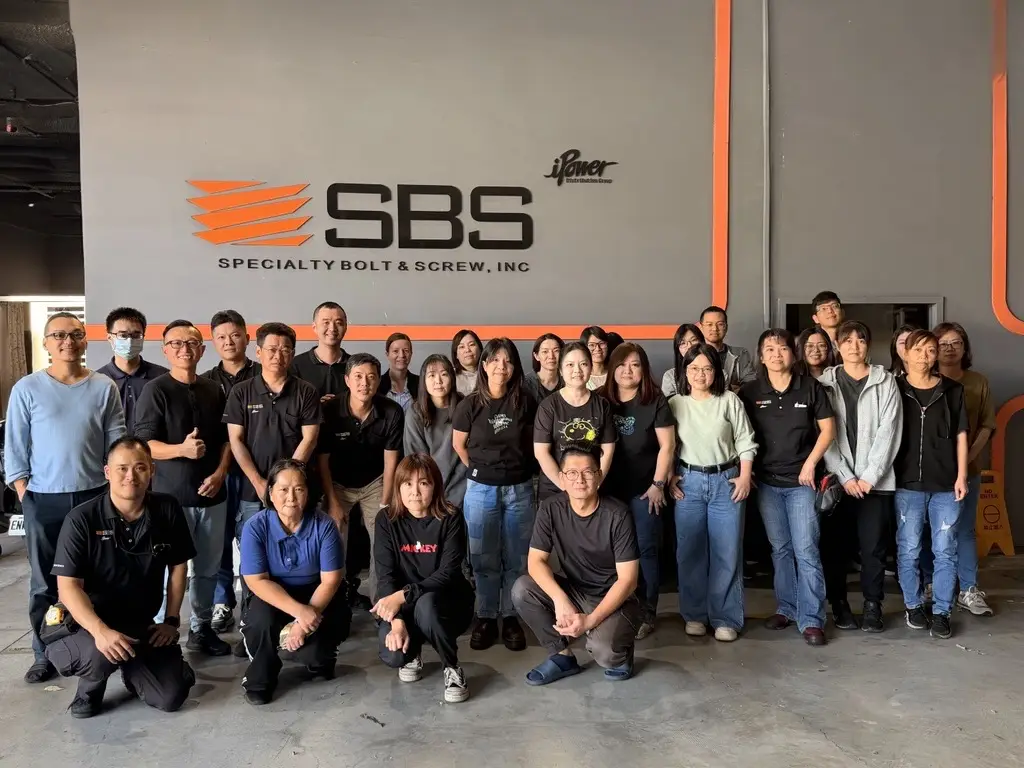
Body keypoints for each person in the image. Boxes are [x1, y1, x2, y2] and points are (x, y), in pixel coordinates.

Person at [4, 312, 126, 684]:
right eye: (58, 335)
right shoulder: (27, 388)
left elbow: (116, 444)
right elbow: (14, 449)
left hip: (94, 498)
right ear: (46, 342)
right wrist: (27, 496)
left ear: (86, 341)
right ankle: (44, 653)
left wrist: (114, 494)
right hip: (44, 499)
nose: (67, 342)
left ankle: (97, 647)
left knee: (97, 578)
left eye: (75, 334)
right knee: (44, 582)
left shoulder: (104, 386)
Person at [45, 438, 196, 718]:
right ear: (107, 472)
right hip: (87, 623)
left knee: (171, 697)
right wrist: (100, 632)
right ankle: (90, 688)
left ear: (152, 470)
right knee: (99, 654)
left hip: (139, 623)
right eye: (122, 468)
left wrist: (172, 621)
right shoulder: (82, 519)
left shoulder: (167, 509)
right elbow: (67, 587)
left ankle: (136, 671)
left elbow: (178, 567)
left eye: (140, 468)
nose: (131, 476)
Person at [134, 319, 232, 656]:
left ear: (202, 350)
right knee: (167, 570)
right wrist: (180, 450)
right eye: (176, 344)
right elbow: (143, 445)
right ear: (165, 350)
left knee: (207, 569)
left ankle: (201, 629)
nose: (184, 349)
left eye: (191, 343)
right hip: (169, 500)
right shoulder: (156, 390)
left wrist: (220, 473)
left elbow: (227, 441)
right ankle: (162, 630)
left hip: (212, 496)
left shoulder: (213, 390)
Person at [223, 322, 321, 653]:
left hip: (297, 493)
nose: (279, 355)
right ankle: (255, 628)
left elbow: (310, 437)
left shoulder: (306, 391)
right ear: (259, 351)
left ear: (293, 354)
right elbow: (235, 440)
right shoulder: (242, 391)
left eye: (286, 349)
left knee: (298, 559)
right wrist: (260, 482)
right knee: (254, 563)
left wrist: (285, 481)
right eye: (272, 348)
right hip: (254, 494)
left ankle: (298, 622)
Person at [512, 443, 641, 685]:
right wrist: (560, 600)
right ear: (561, 477)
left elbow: (628, 580)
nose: (579, 480)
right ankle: (561, 657)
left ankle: (621, 652)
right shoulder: (551, 508)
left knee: (604, 651)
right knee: (523, 589)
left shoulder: (618, 514)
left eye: (588, 472)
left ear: (599, 475)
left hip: (615, 597)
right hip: (575, 590)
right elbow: (535, 561)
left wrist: (590, 621)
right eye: (571, 473)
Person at [739, 329, 835, 646]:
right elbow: (740, 434)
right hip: (767, 483)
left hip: (802, 483)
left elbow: (828, 430)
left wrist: (810, 463)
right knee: (780, 550)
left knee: (806, 550)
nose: (777, 353)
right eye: (770, 348)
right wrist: (746, 471)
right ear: (761, 356)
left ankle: (811, 619)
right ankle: (787, 608)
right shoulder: (750, 392)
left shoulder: (810, 388)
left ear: (793, 354)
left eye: (783, 348)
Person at [238, 459, 351, 705]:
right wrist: (300, 612)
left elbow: (331, 580)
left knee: (317, 659)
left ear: (308, 492)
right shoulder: (255, 527)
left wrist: (302, 624)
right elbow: (257, 581)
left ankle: (318, 655)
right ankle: (260, 675)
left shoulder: (325, 526)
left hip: (316, 595)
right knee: (261, 622)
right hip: (272, 595)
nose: (291, 497)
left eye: (299, 489)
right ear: (270, 492)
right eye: (283, 489)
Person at [452, 337, 536, 651]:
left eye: (508, 361)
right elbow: (459, 445)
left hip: (520, 488)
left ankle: (512, 616)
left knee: (517, 557)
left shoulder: (526, 401)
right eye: (495, 360)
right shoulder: (469, 404)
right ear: (484, 365)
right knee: (483, 557)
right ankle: (486, 616)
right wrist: (481, 470)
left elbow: (534, 444)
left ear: (515, 367)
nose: (502, 367)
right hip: (480, 490)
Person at [668, 343, 756, 642]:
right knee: (689, 551)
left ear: (716, 372)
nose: (700, 374)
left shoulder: (729, 400)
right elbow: (667, 445)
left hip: (726, 481)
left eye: (707, 368)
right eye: (694, 368)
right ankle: (694, 614)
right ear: (685, 371)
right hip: (688, 482)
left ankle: (725, 617)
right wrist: (668, 477)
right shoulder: (675, 403)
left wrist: (745, 476)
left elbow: (745, 440)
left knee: (726, 551)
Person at [819, 321, 902, 632]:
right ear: (838, 345)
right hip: (838, 483)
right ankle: (839, 604)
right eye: (847, 340)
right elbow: (824, 434)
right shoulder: (825, 382)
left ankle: (872, 605)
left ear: (868, 345)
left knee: (874, 548)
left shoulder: (886, 381)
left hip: (875, 484)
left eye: (861, 339)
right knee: (835, 548)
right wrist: (845, 475)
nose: (854, 345)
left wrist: (868, 477)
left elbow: (889, 433)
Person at [372, 454, 474, 703]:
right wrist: (396, 619)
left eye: (423, 483)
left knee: (427, 604)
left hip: (446, 603)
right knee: (394, 656)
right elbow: (385, 574)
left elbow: (447, 574)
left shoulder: (450, 517)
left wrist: (403, 595)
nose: (414, 492)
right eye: (407, 484)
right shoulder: (386, 520)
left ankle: (451, 667)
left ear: (435, 486)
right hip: (402, 605)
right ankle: (413, 650)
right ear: (398, 487)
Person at [893, 329, 968, 640]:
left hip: (946, 484)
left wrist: (962, 475)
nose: (925, 355)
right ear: (905, 354)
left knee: (945, 551)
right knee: (908, 549)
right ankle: (913, 605)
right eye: (919, 349)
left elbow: (962, 434)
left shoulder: (952, 390)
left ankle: (941, 612)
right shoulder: (894, 388)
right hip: (907, 483)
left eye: (931, 350)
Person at [602, 343, 675, 639]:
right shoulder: (601, 400)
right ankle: (614, 609)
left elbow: (667, 446)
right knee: (610, 553)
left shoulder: (655, 401)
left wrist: (658, 484)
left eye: (634, 364)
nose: (627, 370)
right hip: (607, 492)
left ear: (643, 369)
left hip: (644, 491)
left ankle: (646, 611)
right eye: (621, 365)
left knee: (645, 551)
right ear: (612, 369)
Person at [319, 353, 404, 607]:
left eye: (370, 377)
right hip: (337, 483)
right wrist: (332, 502)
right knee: (332, 541)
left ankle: (382, 604)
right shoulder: (330, 410)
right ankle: (334, 602)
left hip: (374, 482)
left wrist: (385, 501)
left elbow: (391, 462)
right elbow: (322, 461)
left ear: (379, 381)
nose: (364, 383)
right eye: (357, 376)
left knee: (382, 540)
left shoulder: (391, 411)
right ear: (347, 380)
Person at [202, 310, 263, 633]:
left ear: (247, 337)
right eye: (221, 337)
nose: (229, 342)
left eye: (235, 335)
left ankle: (254, 606)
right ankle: (222, 602)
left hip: (254, 473)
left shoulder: (263, 375)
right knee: (219, 542)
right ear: (213, 342)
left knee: (252, 541)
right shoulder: (206, 382)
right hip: (218, 475)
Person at [933, 322, 995, 617]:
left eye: (956, 343)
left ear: (964, 348)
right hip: (931, 472)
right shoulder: (924, 379)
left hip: (967, 469)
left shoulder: (977, 381)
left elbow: (987, 425)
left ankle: (968, 589)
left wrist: (966, 457)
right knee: (930, 532)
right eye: (943, 343)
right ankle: (932, 586)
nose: (949, 348)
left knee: (965, 530)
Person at [534, 341, 616, 502]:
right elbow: (541, 453)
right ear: (561, 371)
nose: (577, 370)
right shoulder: (548, 406)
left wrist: (595, 483)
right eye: (570, 365)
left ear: (591, 368)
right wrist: (566, 486)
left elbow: (607, 450)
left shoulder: (602, 405)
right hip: (555, 488)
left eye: (583, 364)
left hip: (592, 488)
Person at [403, 355, 467, 509]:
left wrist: (456, 494)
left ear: (452, 378)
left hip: (464, 488)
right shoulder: (415, 412)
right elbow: (416, 460)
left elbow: (469, 455)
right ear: (423, 381)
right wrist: (434, 493)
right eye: (431, 375)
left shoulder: (464, 407)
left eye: (444, 374)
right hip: (430, 490)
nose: (438, 381)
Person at [96, 307, 168, 433]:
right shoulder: (97, 381)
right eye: (122, 335)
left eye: (136, 335)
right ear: (109, 338)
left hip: (152, 451)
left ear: (143, 337)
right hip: (110, 452)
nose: (129, 341)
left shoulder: (162, 377)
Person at [290, 301, 350, 401]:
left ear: (345, 327)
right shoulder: (296, 365)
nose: (332, 328)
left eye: (338, 323)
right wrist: (314, 406)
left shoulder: (355, 366)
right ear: (314, 327)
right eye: (326, 322)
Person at [698, 306, 756, 389]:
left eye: (720, 324)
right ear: (701, 327)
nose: (715, 329)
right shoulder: (693, 354)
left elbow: (750, 384)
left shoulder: (741, 353)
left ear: (726, 327)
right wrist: (731, 387)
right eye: (709, 324)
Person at [661, 323, 705, 396]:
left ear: (702, 342)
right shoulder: (670, 376)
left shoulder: (720, 373)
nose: (689, 346)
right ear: (678, 349)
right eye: (683, 343)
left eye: (694, 340)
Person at [378, 332, 418, 412]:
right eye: (395, 351)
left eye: (406, 351)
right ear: (387, 354)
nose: (401, 355)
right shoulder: (377, 384)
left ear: (411, 354)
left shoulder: (421, 383)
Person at [524, 333, 564, 404]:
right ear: (536, 356)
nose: (551, 356)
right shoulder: (525, 384)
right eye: (545, 351)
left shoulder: (568, 382)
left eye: (556, 351)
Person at [451, 329, 482, 396]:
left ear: (480, 349)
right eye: (462, 347)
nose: (467, 350)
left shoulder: (490, 373)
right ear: (456, 354)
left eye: (471, 345)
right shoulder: (450, 376)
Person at [580, 326, 611, 390]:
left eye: (602, 343)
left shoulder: (615, 374)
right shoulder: (579, 375)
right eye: (592, 345)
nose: (598, 349)